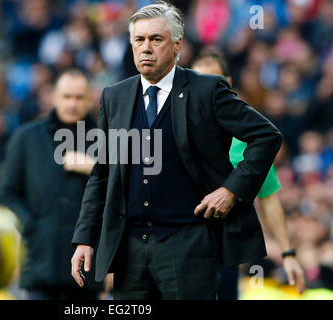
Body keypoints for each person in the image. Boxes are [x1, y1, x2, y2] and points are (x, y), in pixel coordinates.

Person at [71, 1, 282, 300]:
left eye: (156, 39)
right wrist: (84, 238)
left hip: (189, 244)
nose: (146, 48)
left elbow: (266, 136)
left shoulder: (208, 90)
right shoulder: (113, 97)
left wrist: (231, 190)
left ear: (177, 44)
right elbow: (102, 173)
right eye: (139, 40)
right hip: (130, 250)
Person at [192, 51, 305, 299]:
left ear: (228, 84)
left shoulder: (248, 137)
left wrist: (288, 254)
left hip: (223, 251)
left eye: (214, 81)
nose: (205, 89)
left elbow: (268, 196)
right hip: (181, 245)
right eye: (198, 81)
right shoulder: (178, 130)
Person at [0, 69, 103, 300]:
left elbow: (124, 193)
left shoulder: (105, 139)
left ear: (89, 99)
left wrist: (94, 169)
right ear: (54, 97)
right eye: (66, 96)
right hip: (39, 263)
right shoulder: (26, 138)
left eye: (78, 97)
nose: (72, 104)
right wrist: (32, 227)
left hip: (87, 266)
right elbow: (7, 193)